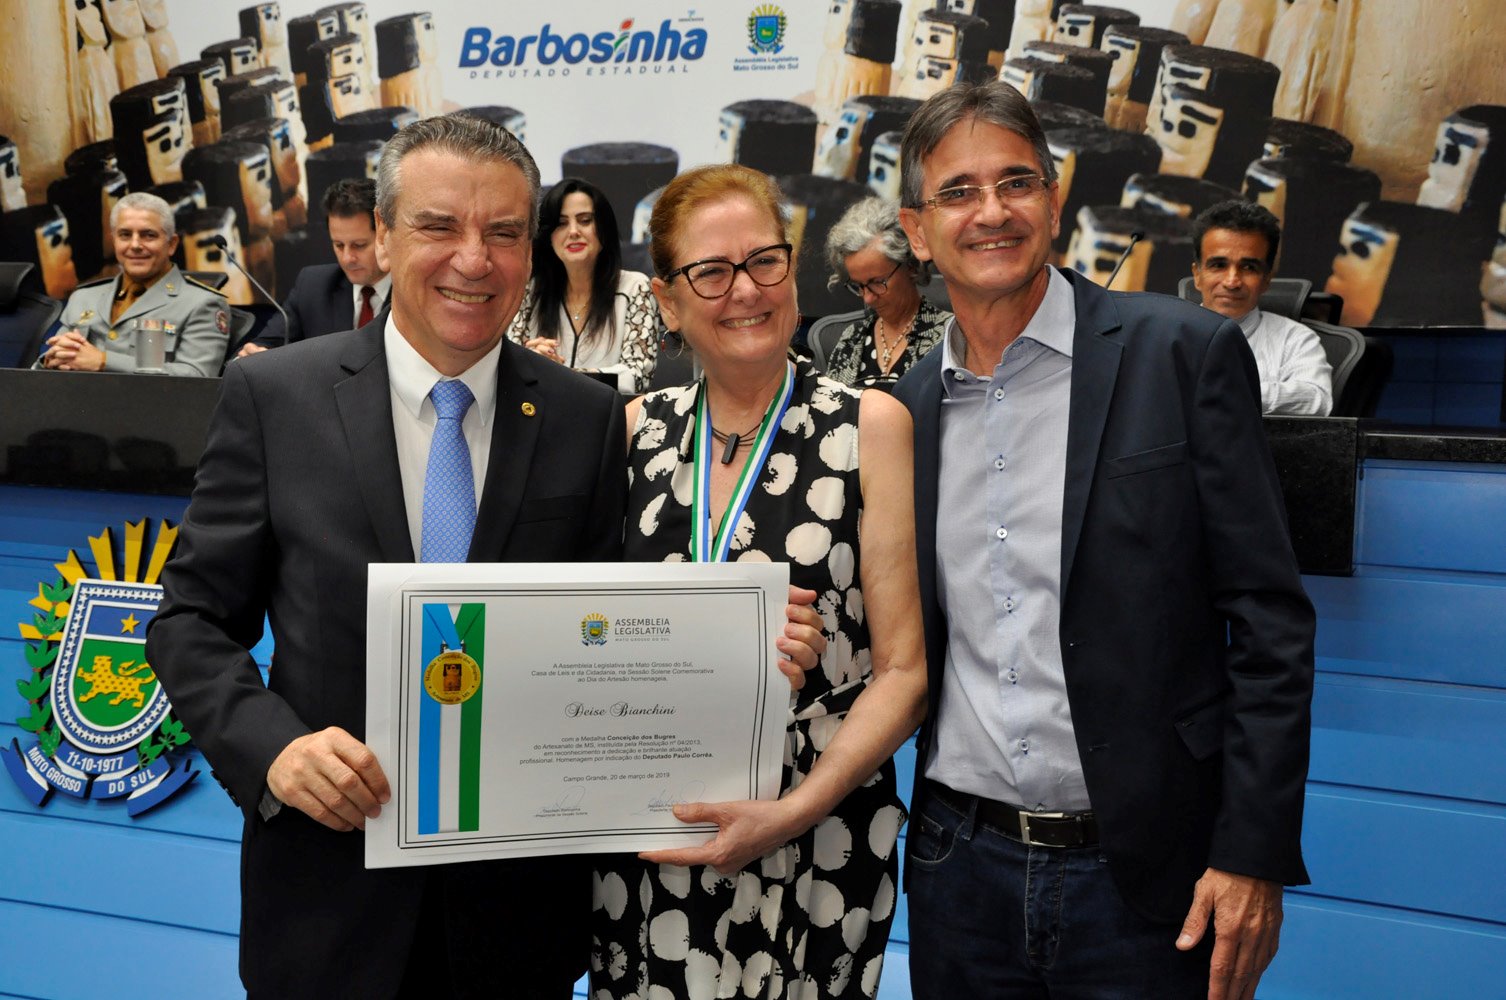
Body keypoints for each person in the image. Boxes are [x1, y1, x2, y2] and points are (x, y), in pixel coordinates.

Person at [145, 113, 630, 998]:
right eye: (439, 225)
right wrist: (275, 750)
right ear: (385, 234)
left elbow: (601, 639)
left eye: (504, 233)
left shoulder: (586, 418)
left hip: (515, 918)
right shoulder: (274, 396)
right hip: (326, 902)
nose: (474, 260)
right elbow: (191, 621)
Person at [892, 80, 1315, 1000]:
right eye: (958, 192)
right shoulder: (905, 412)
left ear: (1054, 202)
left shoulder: (1183, 354)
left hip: (1148, 879)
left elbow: (1271, 623)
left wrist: (1252, 852)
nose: (992, 212)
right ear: (917, 232)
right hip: (959, 872)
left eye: (1016, 182)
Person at [590, 164, 928, 999]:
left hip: (817, 831)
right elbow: (589, 634)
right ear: (668, 301)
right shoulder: (634, 432)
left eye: (764, 261)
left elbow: (904, 673)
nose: (745, 289)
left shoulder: (870, 425)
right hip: (656, 830)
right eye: (711, 271)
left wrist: (792, 812)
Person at [36, 191, 228, 376]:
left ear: (171, 244)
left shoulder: (202, 303)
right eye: (125, 235)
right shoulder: (84, 298)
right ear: (114, 241)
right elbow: (47, 366)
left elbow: (197, 376)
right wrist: (51, 361)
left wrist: (104, 361)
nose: (135, 245)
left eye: (148, 235)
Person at [508, 177, 659, 393]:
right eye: (561, 223)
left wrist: (558, 374)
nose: (573, 231)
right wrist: (531, 360)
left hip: (608, 413)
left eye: (585, 220)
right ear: (549, 236)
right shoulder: (529, 293)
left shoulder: (635, 287)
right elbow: (510, 370)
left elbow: (636, 377)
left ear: (603, 229)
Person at [1191, 199, 1333, 416]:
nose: (1232, 282)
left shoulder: (1294, 339)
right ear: (1197, 275)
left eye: (1248, 267)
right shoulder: (1163, 336)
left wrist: (1226, 390)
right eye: (1218, 265)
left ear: (1266, 279)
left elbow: (1317, 400)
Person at [238, 177, 391, 356]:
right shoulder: (313, 287)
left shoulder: (412, 290)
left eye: (359, 245)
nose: (347, 258)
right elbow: (265, 344)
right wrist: (252, 355)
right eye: (339, 245)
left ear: (384, 236)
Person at [821, 196, 951, 387]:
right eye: (858, 285)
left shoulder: (950, 335)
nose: (868, 298)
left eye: (877, 282)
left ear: (910, 266)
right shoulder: (852, 339)